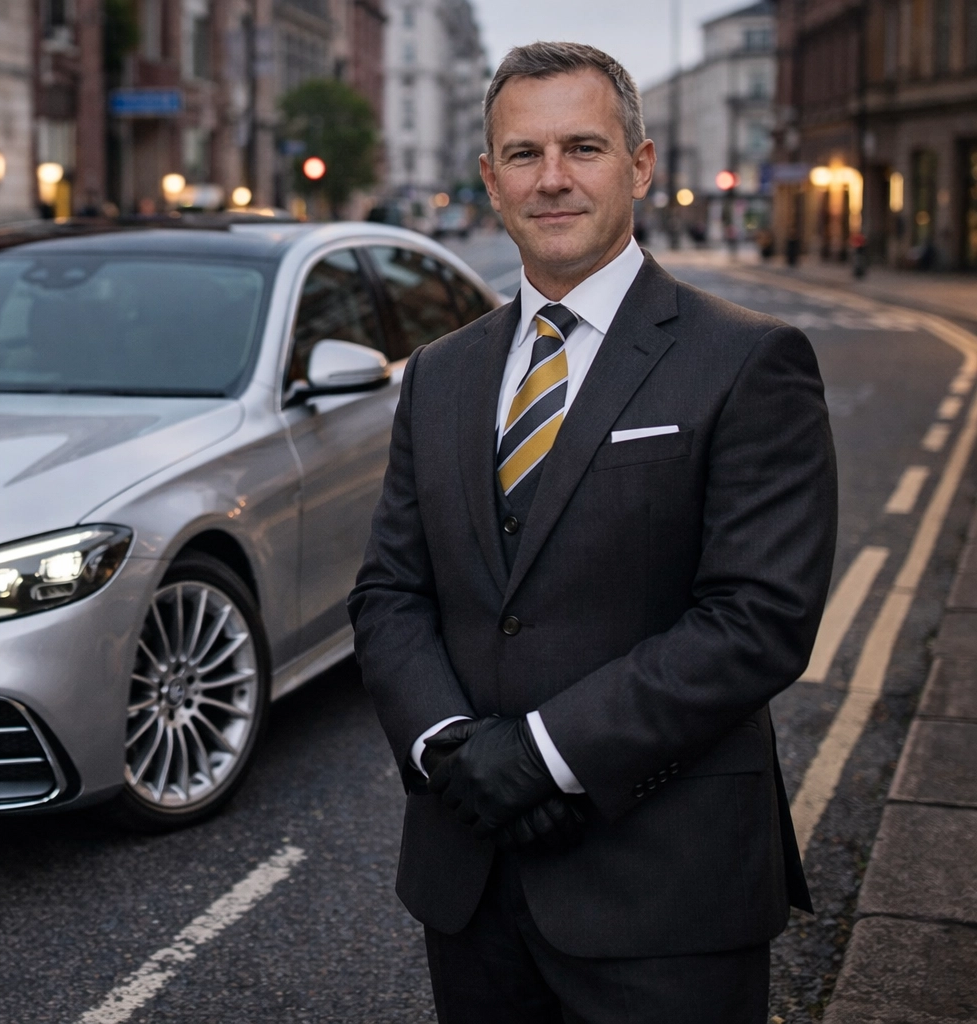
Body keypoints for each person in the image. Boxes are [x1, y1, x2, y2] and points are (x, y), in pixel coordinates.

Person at [348, 41, 835, 1023]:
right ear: (490, 180)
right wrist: (449, 747)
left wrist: (542, 751)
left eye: (584, 147)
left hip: (666, 891)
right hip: (470, 879)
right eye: (523, 155)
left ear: (640, 165)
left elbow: (758, 618)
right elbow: (391, 592)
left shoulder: (748, 360)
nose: (554, 178)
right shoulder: (439, 375)